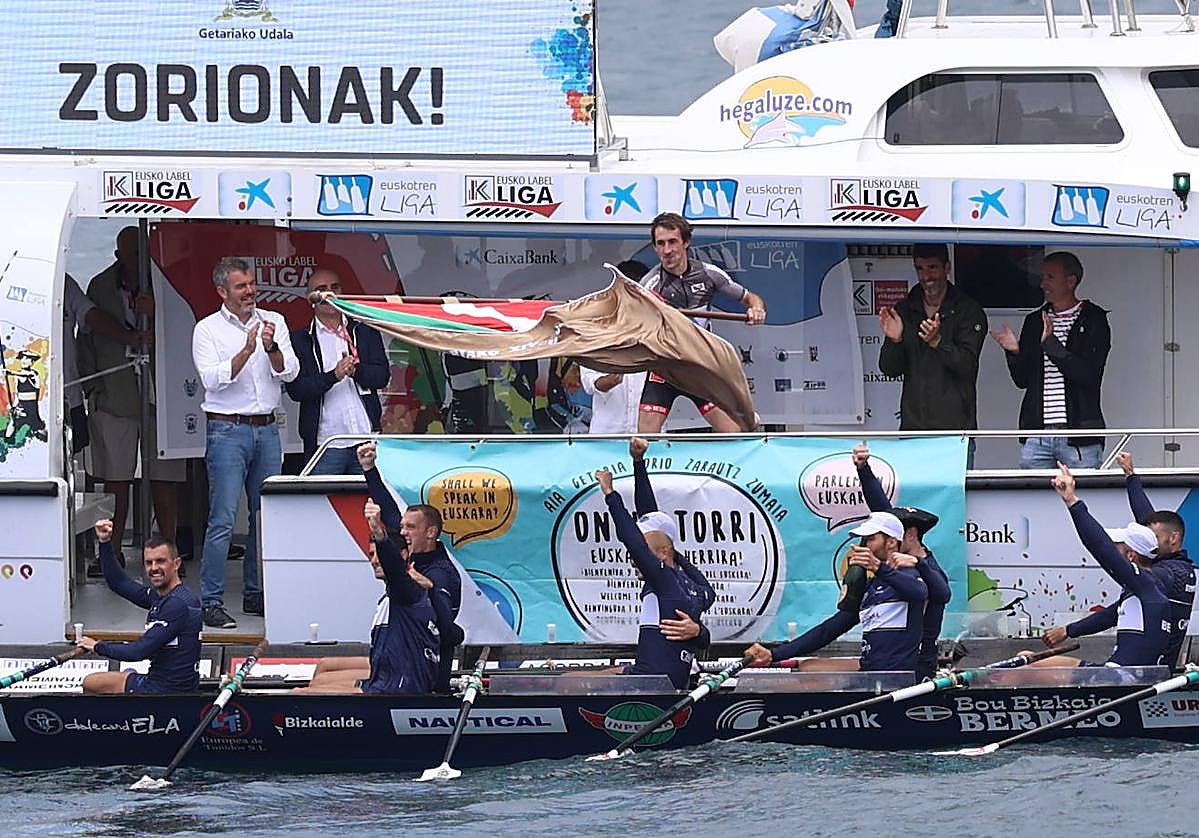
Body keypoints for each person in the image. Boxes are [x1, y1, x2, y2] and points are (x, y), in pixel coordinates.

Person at [191, 256, 299, 629]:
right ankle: (211, 600)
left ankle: (256, 593)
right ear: (223, 291)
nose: (250, 291)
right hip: (227, 431)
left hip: (267, 430)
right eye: (241, 286)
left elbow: (290, 372)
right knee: (222, 518)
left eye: (251, 284)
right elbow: (212, 380)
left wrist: (270, 348)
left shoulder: (275, 322)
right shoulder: (207, 329)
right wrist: (246, 350)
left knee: (263, 517)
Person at [77, 227, 185, 570]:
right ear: (118, 256)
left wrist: (156, 312)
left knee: (165, 479)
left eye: (143, 253)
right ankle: (111, 552)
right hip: (114, 393)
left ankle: (167, 553)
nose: (139, 260)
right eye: (132, 254)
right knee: (115, 479)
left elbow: (188, 327)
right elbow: (86, 338)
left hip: (163, 395)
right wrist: (92, 388)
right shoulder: (100, 285)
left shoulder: (168, 283)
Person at [744, 511, 928, 672]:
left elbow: (919, 593)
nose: (865, 546)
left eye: (871, 539)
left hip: (899, 680)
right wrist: (775, 654)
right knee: (808, 668)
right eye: (863, 540)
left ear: (891, 542)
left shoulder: (909, 573)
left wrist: (879, 567)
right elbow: (830, 629)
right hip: (871, 672)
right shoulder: (871, 585)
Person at [1029, 464, 1169, 668]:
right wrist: (1068, 631)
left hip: (1122, 681)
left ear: (1130, 555)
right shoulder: (1143, 589)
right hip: (1118, 676)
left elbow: (1100, 547)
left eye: (1117, 547)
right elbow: (1107, 617)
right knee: (1030, 658)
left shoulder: (1147, 586)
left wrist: (1072, 501)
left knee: (1028, 662)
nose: (1113, 550)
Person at [637, 213, 766, 433]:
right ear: (655, 248)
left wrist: (757, 309)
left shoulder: (708, 274)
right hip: (665, 367)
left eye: (673, 242)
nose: (667, 250)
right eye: (660, 244)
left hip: (700, 366)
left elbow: (749, 297)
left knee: (734, 435)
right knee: (643, 440)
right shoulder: (649, 284)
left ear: (686, 242)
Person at [596, 459, 714, 689]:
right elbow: (649, 516)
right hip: (661, 677)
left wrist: (610, 493)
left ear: (662, 552)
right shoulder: (697, 589)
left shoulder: (666, 581)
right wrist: (638, 462)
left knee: (566, 682)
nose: (633, 559)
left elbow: (635, 543)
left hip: (650, 683)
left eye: (642, 550)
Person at [299, 500, 440, 694]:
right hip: (386, 674)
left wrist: (378, 531)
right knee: (324, 666)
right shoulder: (393, 594)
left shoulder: (407, 591)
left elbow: (395, 568)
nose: (374, 561)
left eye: (378, 555)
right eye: (371, 555)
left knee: (301, 693)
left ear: (403, 555)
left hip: (397, 689)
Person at [989, 252, 1110, 469]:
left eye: (1050, 277)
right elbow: (1022, 380)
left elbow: (1089, 375)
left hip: (1079, 436)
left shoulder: (1094, 319)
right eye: (1042, 277)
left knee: (1084, 499)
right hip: (1037, 435)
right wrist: (1014, 352)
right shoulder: (1035, 320)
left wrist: (1051, 345)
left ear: (1071, 281)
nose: (1043, 283)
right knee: (1034, 501)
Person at [359, 441, 463, 692]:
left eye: (410, 528)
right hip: (401, 656)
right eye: (402, 527)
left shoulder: (441, 574)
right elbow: (389, 509)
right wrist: (369, 469)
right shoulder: (410, 545)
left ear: (431, 533)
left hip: (427, 674)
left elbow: (448, 632)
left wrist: (431, 590)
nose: (402, 532)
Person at [877, 244, 987, 464]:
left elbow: (967, 366)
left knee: (957, 498)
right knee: (914, 499)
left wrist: (938, 342)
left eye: (932, 268)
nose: (926, 276)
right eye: (920, 268)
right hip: (913, 431)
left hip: (955, 433)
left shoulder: (968, 310)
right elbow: (889, 369)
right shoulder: (904, 309)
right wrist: (894, 340)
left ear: (947, 268)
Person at [853, 443, 950, 678]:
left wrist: (918, 565)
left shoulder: (930, 568)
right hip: (886, 665)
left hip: (916, 666)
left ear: (911, 535)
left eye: (897, 531)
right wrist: (863, 470)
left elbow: (942, 594)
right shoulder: (894, 563)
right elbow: (881, 510)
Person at [77, 519, 201, 694]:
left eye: (160, 561)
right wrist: (105, 542)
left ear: (177, 564)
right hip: (164, 682)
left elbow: (138, 652)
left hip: (163, 692)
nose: (154, 568)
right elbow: (118, 582)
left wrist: (97, 647)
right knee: (118, 676)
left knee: (91, 682)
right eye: (149, 563)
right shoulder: (162, 597)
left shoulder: (176, 605)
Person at [285, 267, 390, 474]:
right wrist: (333, 376)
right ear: (310, 298)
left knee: (369, 503)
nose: (328, 294)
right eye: (321, 289)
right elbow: (297, 390)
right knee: (320, 505)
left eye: (334, 287)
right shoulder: (301, 340)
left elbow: (382, 377)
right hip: (326, 443)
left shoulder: (364, 330)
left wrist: (356, 371)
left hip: (365, 439)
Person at [1103, 451, 1195, 667]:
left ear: (1173, 539)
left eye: (1153, 537)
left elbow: (1112, 612)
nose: (1148, 540)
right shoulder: (1160, 558)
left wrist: (1071, 630)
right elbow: (1147, 520)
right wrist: (1131, 475)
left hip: (1153, 673)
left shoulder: (1172, 573)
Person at [580, 260, 650, 435]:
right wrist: (614, 376)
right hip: (607, 438)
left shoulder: (659, 331)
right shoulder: (596, 331)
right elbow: (592, 384)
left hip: (649, 436)